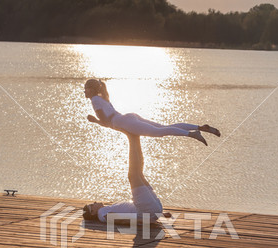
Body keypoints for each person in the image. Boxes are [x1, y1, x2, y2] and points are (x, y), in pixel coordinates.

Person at [84, 78, 221, 146]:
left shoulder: (95, 100)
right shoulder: (102, 97)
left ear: (92, 89)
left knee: (159, 132)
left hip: (122, 121)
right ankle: (200, 127)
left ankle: (192, 134)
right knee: (163, 127)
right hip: (128, 117)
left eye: (86, 88)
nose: (84, 91)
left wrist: (94, 121)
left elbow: (105, 122)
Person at [83, 131, 167, 224]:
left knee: (138, 173)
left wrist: (160, 214)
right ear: (93, 212)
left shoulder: (106, 209)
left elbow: (130, 211)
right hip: (147, 211)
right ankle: (132, 137)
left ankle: (135, 137)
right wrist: (144, 221)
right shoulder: (101, 214)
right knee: (133, 175)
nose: (94, 202)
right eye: (92, 205)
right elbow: (120, 220)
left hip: (152, 210)